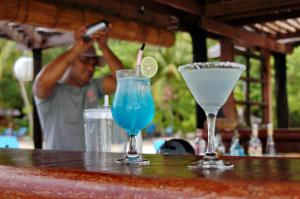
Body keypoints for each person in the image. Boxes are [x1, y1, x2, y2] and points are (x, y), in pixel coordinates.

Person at [33, 26, 123, 151]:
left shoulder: (94, 87)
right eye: (85, 60)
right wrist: (76, 48)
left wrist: (104, 47)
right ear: (70, 61)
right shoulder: (52, 91)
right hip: (58, 167)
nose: (91, 68)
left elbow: (123, 82)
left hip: (92, 167)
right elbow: (40, 85)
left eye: (93, 64)